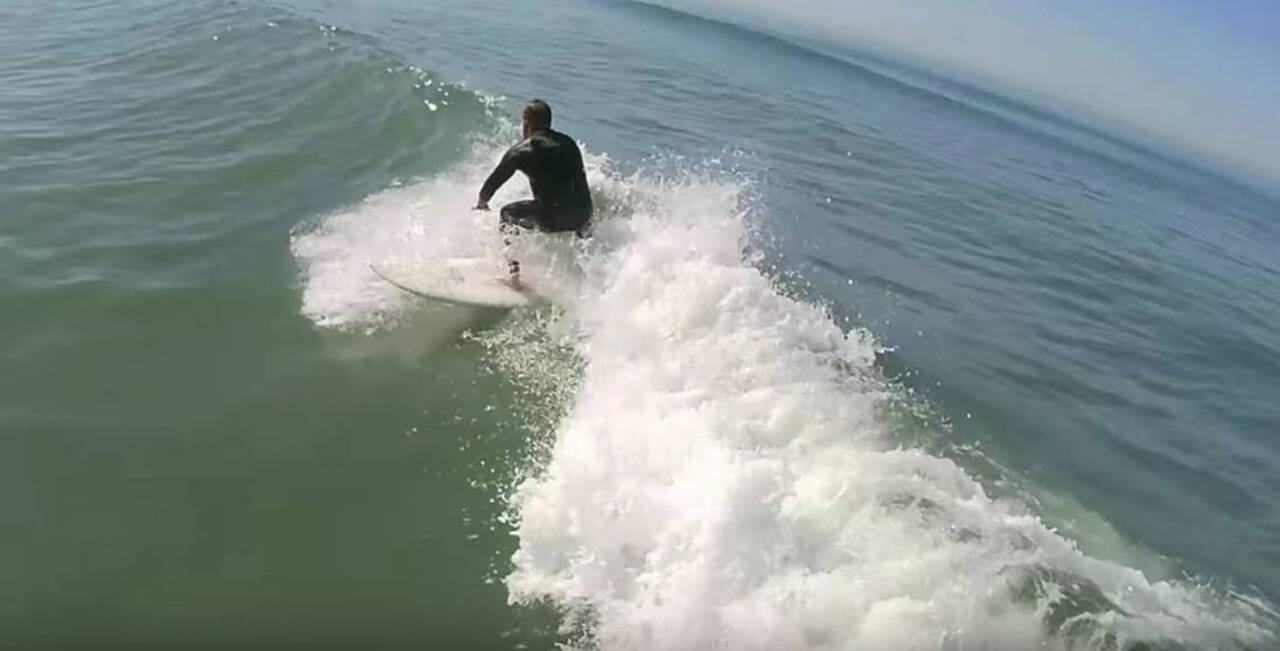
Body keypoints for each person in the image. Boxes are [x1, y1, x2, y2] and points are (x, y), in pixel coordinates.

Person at [474, 99, 592, 284]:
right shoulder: (569, 143)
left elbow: (492, 184)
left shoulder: (521, 152)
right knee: (575, 204)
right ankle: (586, 269)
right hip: (583, 215)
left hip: (554, 218)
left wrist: (482, 203)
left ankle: (514, 274)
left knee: (507, 212)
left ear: (527, 122)